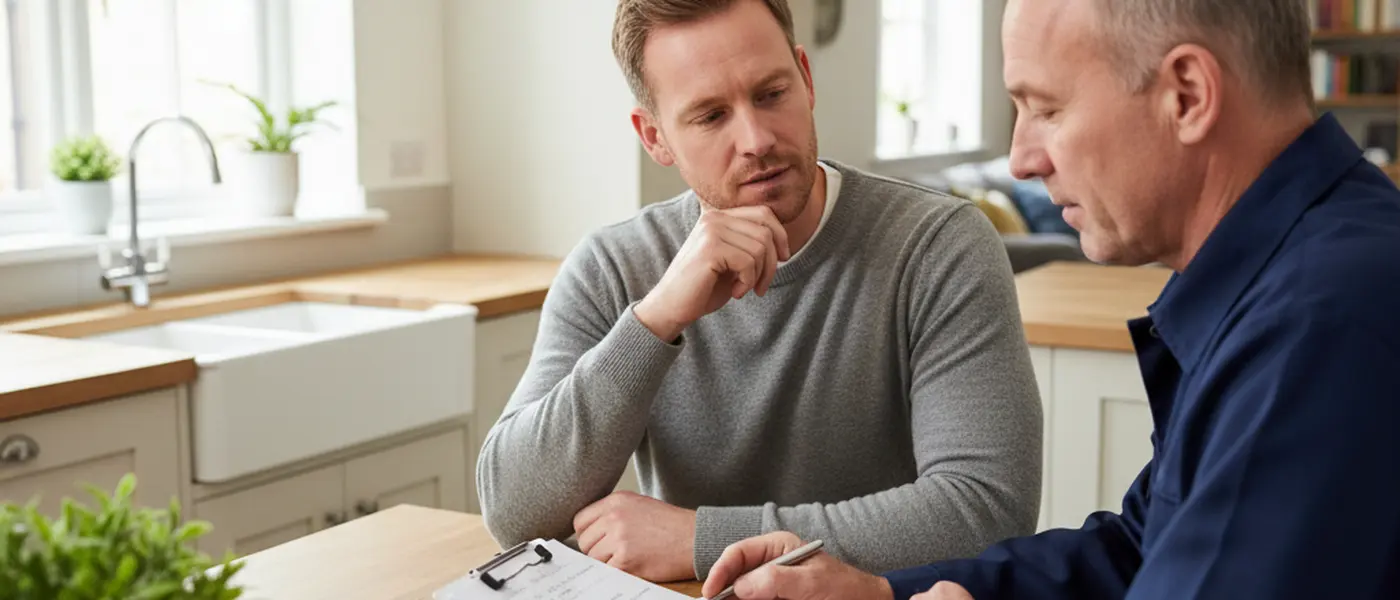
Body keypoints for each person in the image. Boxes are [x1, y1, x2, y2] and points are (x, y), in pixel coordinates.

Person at [701, 0, 1400, 598]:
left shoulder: (1321, 324)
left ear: (1186, 94)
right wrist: (884, 590)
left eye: (1046, 108)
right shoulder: (1279, 280)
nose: (1022, 157)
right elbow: (1139, 548)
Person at [475, 0, 1045, 585]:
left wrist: (701, 538)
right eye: (711, 115)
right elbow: (514, 512)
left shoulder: (938, 246)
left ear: (805, 76)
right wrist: (657, 317)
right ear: (655, 137)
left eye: (771, 94)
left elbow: (986, 511)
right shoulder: (614, 267)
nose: (756, 138)